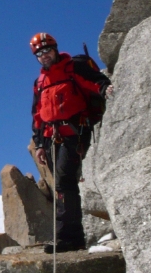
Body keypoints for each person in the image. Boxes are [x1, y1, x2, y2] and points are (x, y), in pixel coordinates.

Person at [29, 32, 111, 253]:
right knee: (62, 185)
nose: (44, 56)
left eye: (47, 51)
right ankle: (72, 236)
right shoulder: (40, 83)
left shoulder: (72, 68)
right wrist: (38, 144)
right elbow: (37, 115)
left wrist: (105, 88)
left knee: (65, 181)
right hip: (50, 137)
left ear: (55, 49)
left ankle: (67, 237)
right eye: (39, 54)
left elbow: (95, 82)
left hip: (75, 132)